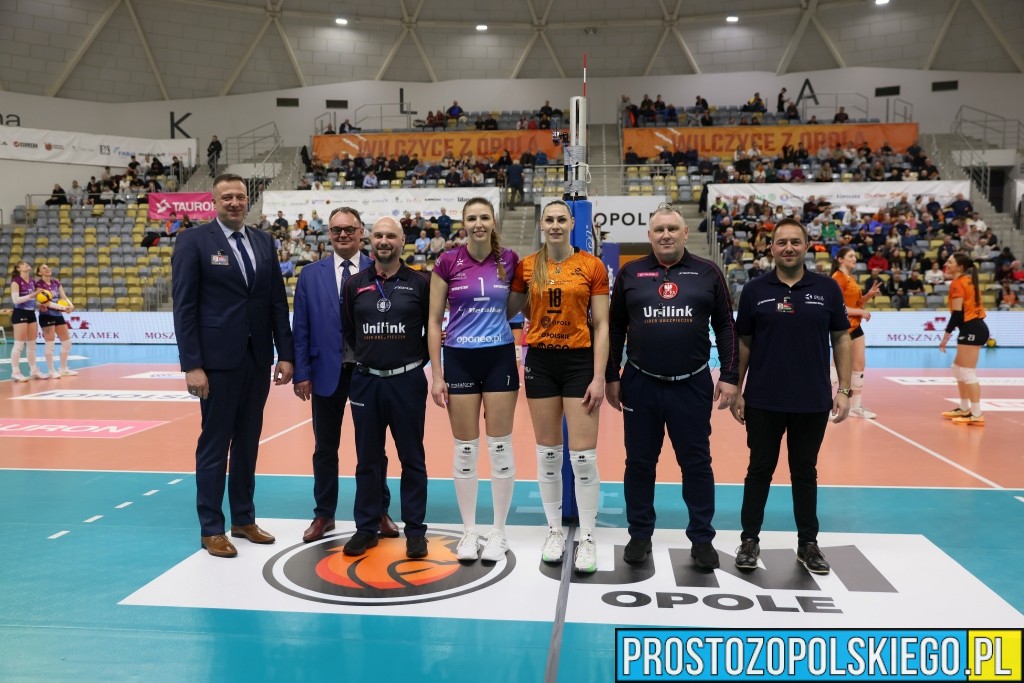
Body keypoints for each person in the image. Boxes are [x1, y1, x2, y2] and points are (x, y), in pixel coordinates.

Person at [605, 204, 738, 570]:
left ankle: (702, 538)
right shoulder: (631, 273)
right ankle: (639, 534)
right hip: (640, 383)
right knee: (639, 463)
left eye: (672, 229)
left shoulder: (708, 272)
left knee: (696, 463)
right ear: (649, 236)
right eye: (659, 229)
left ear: (685, 233)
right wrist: (612, 375)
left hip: (692, 383)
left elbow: (726, 326)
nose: (666, 235)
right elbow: (614, 328)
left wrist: (730, 375)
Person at [171, 173, 295, 558]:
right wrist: (192, 364)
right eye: (227, 197)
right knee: (215, 443)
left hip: (257, 360)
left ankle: (243, 518)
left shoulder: (263, 241)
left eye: (240, 196)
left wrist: (285, 353)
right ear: (214, 202)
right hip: (216, 363)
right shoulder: (193, 241)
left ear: (247, 200)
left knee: (247, 442)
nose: (235, 202)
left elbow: (276, 302)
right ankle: (211, 527)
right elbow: (184, 307)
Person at [730, 218, 852, 576]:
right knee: (759, 470)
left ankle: (807, 544)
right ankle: (749, 540)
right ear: (771, 248)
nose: (788, 248)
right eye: (781, 242)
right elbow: (744, 342)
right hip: (763, 399)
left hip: (811, 400)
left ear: (807, 246)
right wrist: (737, 389)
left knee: (805, 472)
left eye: (795, 242)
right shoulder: (754, 290)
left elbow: (841, 338)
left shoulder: (827, 288)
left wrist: (845, 389)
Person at [507, 200, 610, 573]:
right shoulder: (527, 266)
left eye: (561, 219)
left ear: (571, 224)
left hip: (579, 362)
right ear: (541, 224)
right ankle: (554, 531)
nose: (554, 225)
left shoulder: (591, 266)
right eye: (548, 219)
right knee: (549, 454)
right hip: (540, 361)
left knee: (583, 458)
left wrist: (599, 376)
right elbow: (509, 310)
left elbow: (602, 324)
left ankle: (588, 537)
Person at [291, 207, 399, 543]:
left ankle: (378, 510)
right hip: (325, 372)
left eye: (349, 229)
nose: (342, 235)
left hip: (370, 372)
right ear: (328, 233)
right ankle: (324, 514)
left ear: (361, 232)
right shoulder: (311, 274)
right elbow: (301, 327)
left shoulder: (379, 268)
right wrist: (301, 373)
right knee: (325, 448)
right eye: (336, 229)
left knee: (373, 448)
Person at [428, 197, 520, 562]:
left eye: (484, 217)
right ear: (463, 223)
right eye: (472, 218)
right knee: (465, 449)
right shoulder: (447, 261)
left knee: (500, 447)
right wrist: (437, 375)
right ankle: (469, 531)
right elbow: (433, 320)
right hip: (460, 359)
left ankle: (499, 531)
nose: (478, 223)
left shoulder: (510, 260)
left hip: (499, 357)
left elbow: (516, 307)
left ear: (493, 222)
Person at [341, 216, 431, 559]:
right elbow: (350, 330)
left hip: (407, 381)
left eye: (390, 236)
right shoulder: (355, 284)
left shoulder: (420, 282)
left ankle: (416, 531)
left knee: (412, 457)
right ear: (370, 240)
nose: (384, 241)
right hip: (366, 381)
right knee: (367, 459)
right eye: (378, 235)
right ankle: (366, 528)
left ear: (402, 240)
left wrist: (411, 363)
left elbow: (430, 332)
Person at [939, 253, 990, 426]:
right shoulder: (967, 280)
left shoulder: (958, 283)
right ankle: (963, 407)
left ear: (960, 267)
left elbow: (958, 314)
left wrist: (946, 335)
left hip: (972, 329)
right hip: (973, 327)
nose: (946, 264)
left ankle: (976, 414)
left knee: (968, 372)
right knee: (957, 368)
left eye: (950, 262)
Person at [831, 247, 880, 419]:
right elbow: (837, 307)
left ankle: (855, 407)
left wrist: (868, 296)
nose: (854, 258)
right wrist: (861, 312)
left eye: (855, 256)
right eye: (850, 256)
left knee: (858, 367)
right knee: (836, 368)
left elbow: (855, 304)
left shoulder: (850, 278)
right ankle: (824, 405)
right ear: (840, 259)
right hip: (844, 327)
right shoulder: (837, 278)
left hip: (856, 327)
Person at [34, 264, 77, 378]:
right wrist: (63, 308)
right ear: (39, 273)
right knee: (50, 343)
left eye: (48, 267)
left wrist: (71, 305)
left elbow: (63, 297)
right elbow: (45, 303)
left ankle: (63, 369)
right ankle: (51, 371)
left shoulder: (56, 282)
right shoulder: (38, 285)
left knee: (67, 341)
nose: (47, 269)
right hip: (46, 315)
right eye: (44, 268)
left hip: (57, 314)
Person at [8, 260, 45, 381]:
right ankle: (15, 372)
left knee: (32, 344)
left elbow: (32, 300)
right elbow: (16, 300)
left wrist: (39, 305)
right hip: (20, 313)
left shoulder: (32, 281)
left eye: (27, 263)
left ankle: (34, 371)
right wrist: (33, 295)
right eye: (23, 264)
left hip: (31, 313)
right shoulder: (16, 281)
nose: (26, 264)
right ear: (18, 269)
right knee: (19, 345)